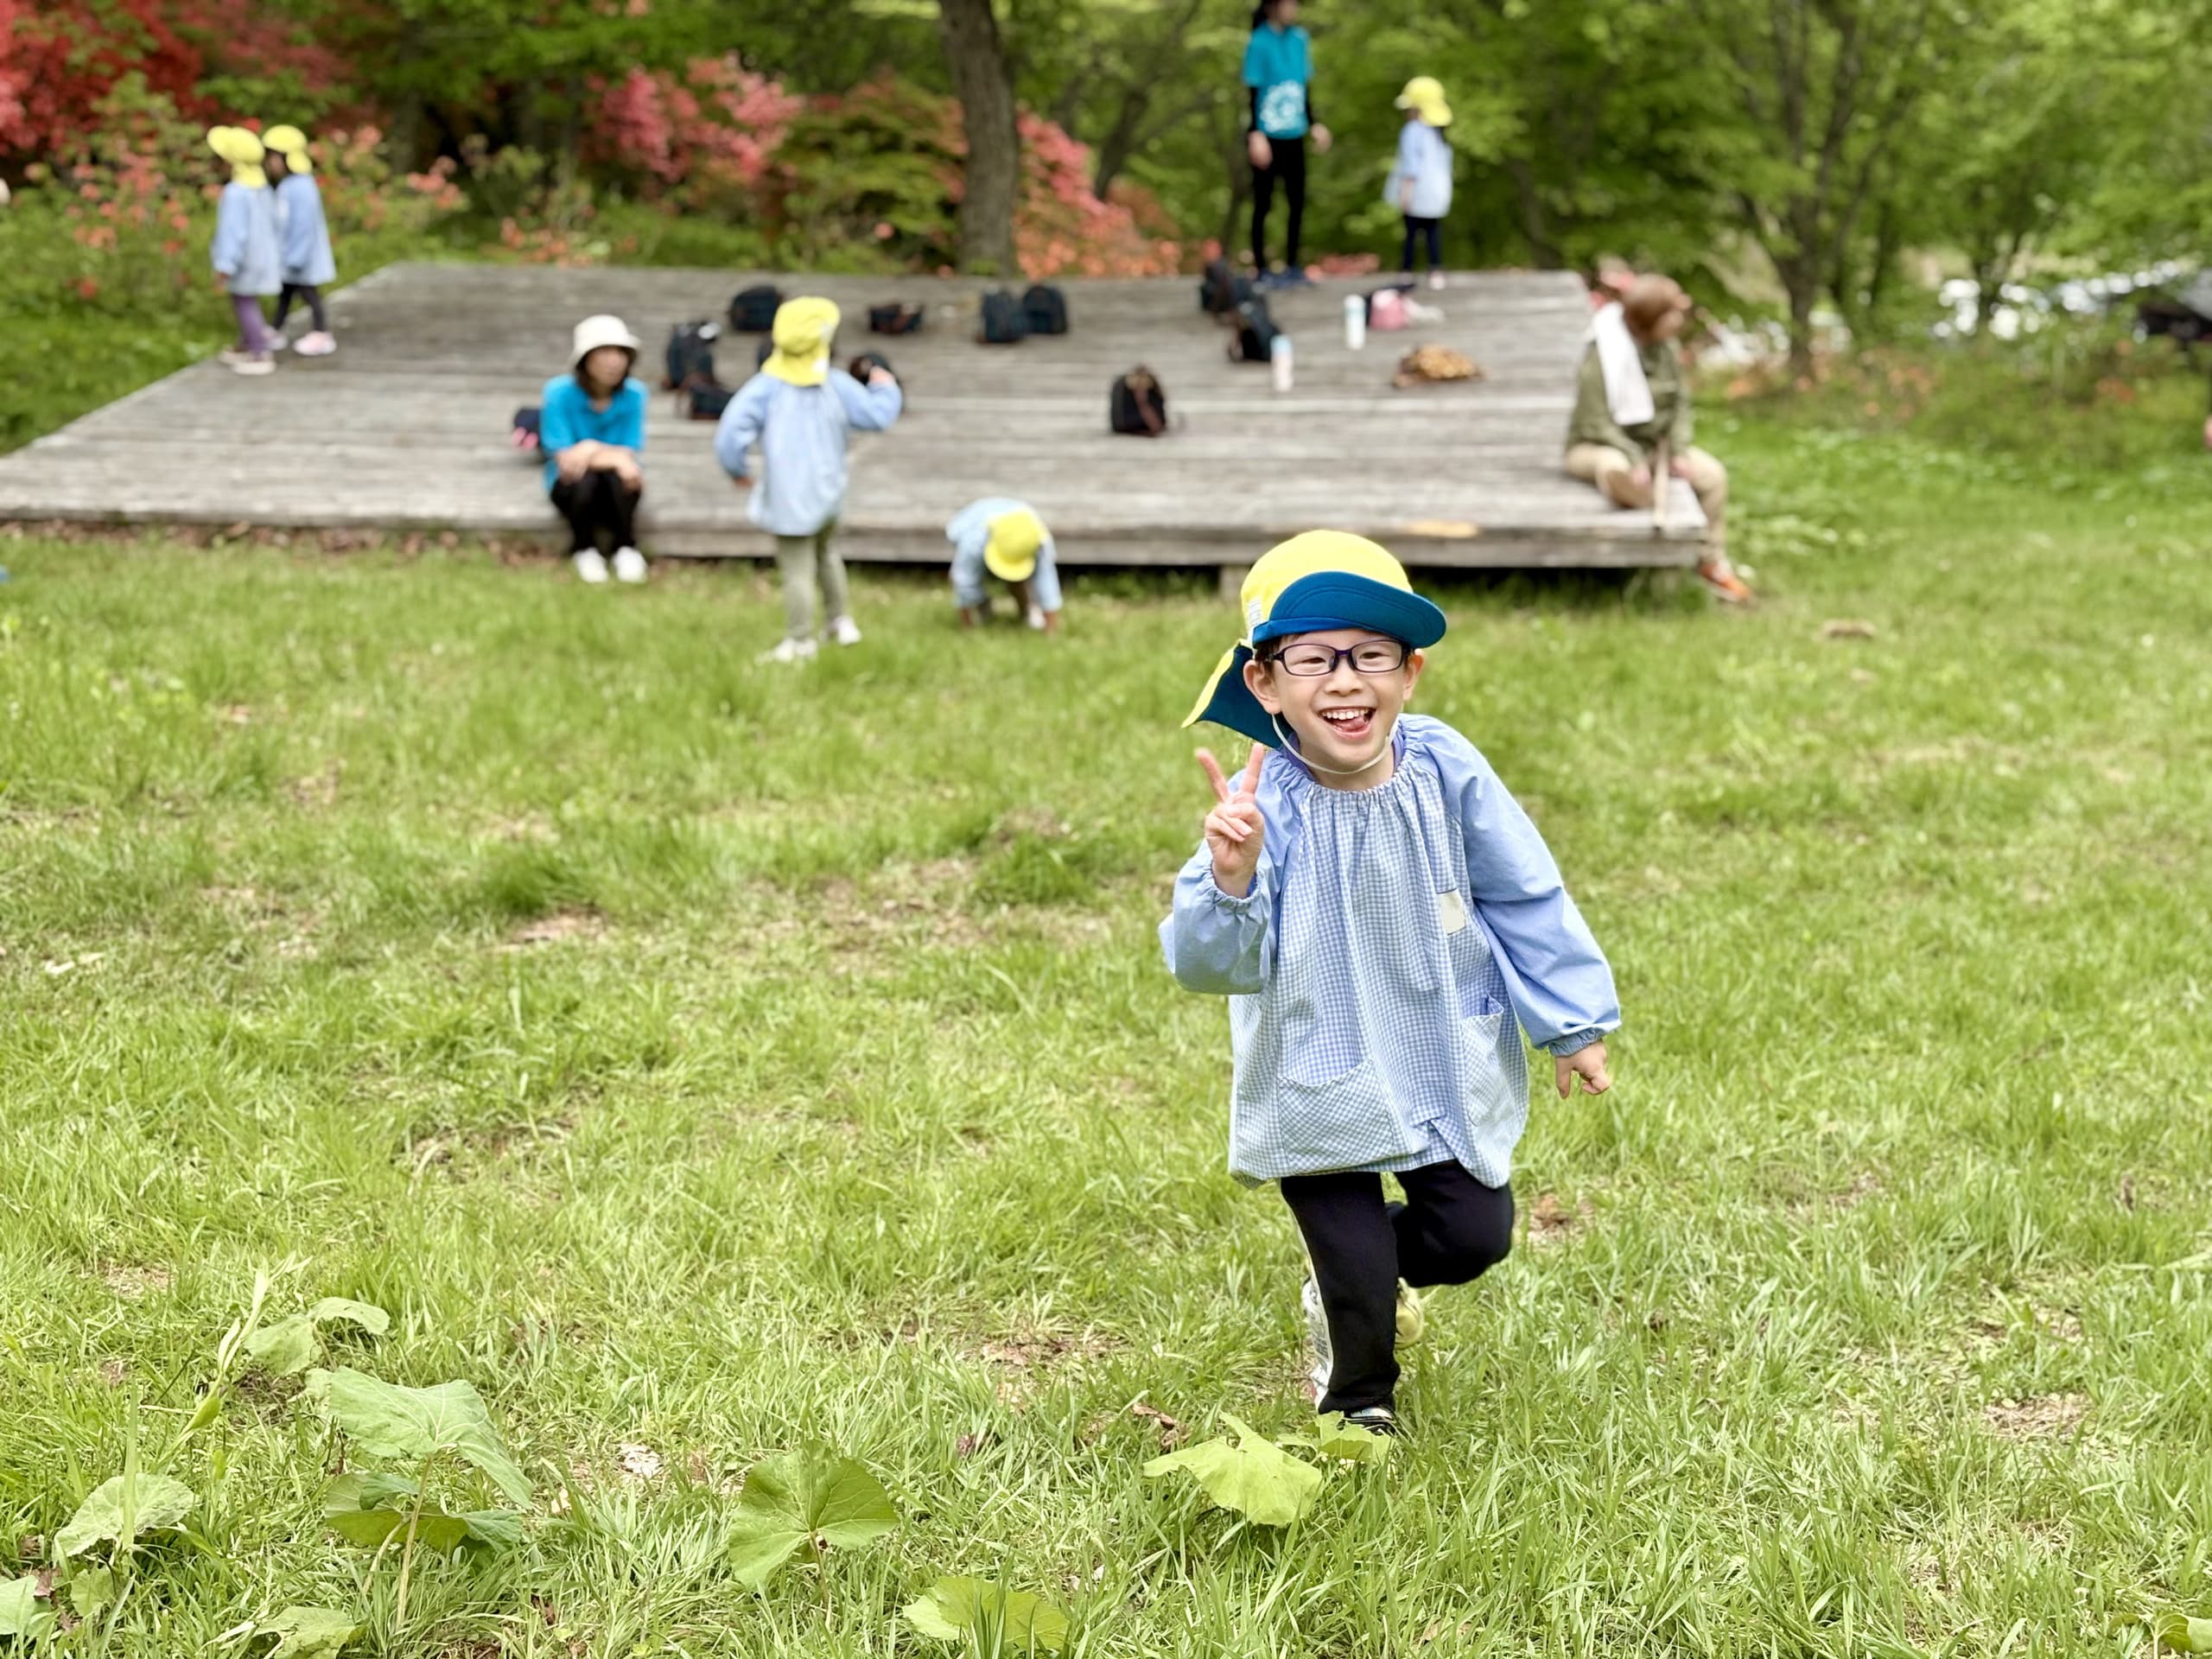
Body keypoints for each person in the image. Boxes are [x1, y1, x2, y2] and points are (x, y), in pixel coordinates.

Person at [1161, 531, 1618, 1436]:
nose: (1343, 681)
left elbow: (1521, 889)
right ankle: (1357, 1407)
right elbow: (1209, 965)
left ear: (1409, 673)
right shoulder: (1267, 807)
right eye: (1312, 658)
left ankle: (1350, 1282)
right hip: (1316, 1064)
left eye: (1370, 655)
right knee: (1357, 1280)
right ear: (1265, 683)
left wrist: (1572, 1021)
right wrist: (1231, 877)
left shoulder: (1445, 767)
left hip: (1435, 1050)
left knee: (1473, 1237)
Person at [714, 297, 903, 664]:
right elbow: (877, 417)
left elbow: (729, 435)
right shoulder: (837, 384)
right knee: (828, 554)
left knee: (797, 569)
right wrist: (886, 386)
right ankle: (840, 622)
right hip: (830, 492)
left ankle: (800, 641)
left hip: (789, 498)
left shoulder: (764, 387)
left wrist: (737, 470)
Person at [1566, 273, 1750, 603]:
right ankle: (1630, 494)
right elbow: (1595, 421)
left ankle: (1709, 561)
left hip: (1655, 447)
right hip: (1598, 445)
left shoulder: (1666, 348)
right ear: (1651, 318)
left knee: (1712, 475)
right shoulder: (1603, 353)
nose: (1679, 320)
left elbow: (1679, 404)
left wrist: (1678, 451)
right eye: (1672, 314)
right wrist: (1634, 459)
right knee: (1613, 465)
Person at [539, 315, 650, 585]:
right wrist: (601, 452)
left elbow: (628, 451)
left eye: (620, 353)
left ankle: (626, 546)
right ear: (585, 360)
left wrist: (588, 449)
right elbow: (565, 458)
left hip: (614, 483)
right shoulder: (557, 393)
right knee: (583, 478)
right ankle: (584, 548)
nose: (615, 361)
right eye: (604, 352)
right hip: (572, 485)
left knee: (621, 476)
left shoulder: (635, 394)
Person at [1242, 0, 1331, 288]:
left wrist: (1314, 123)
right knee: (1263, 204)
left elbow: (1305, 87)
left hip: (1295, 133)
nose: (1293, 8)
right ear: (1272, 7)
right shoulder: (1258, 42)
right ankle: (1261, 268)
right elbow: (1252, 92)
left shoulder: (1299, 39)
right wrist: (1255, 134)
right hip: (1267, 134)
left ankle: (1293, 265)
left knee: (1297, 202)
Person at [206, 127, 281, 378]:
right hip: (263, 258)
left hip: (243, 261)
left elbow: (232, 233)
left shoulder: (236, 192)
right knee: (248, 301)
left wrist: (224, 264)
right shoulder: (263, 189)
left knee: (244, 302)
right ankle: (247, 342)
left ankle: (259, 351)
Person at [261, 125, 337, 357]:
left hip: (300, 256)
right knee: (286, 293)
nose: (270, 163)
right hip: (289, 255)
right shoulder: (289, 185)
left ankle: (321, 333)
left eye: (274, 157)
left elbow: (303, 226)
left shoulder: (302, 187)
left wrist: (296, 257)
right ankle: (275, 329)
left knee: (308, 292)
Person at [945, 499, 1063, 632]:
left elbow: (1047, 582)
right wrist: (967, 628)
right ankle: (982, 605)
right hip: (968, 525)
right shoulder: (973, 542)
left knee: (1017, 580)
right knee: (969, 579)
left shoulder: (1038, 539)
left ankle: (1025, 612)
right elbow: (963, 579)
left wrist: (1051, 631)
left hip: (1015, 515)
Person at [1384, 76, 1452, 290]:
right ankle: (1435, 271)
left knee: (1411, 233)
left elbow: (1410, 165)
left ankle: (1406, 272)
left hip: (1416, 192)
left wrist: (1405, 193)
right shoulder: (1438, 133)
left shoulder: (1413, 130)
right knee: (1433, 233)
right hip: (1437, 193)